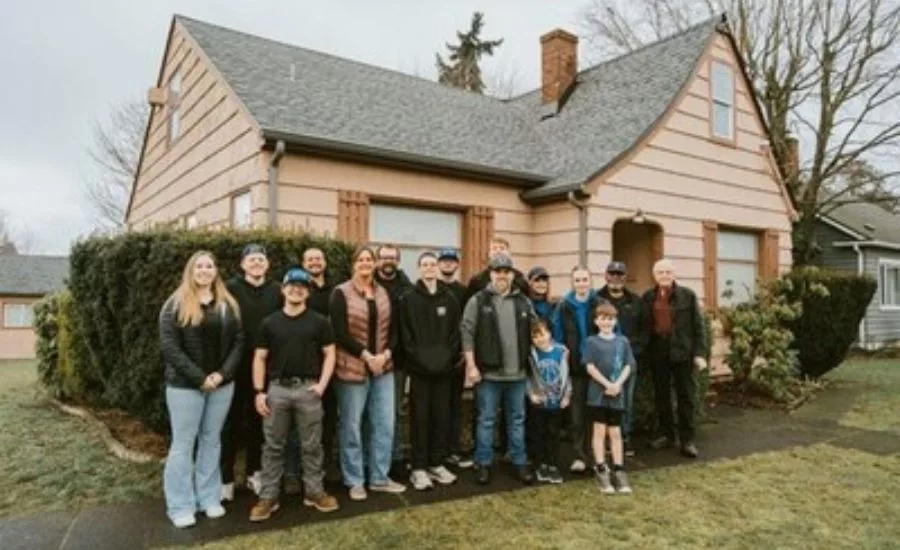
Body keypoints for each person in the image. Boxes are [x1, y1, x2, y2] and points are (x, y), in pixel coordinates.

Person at [158, 251, 243, 528]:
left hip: (221, 385)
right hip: (185, 387)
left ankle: (208, 498)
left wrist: (221, 374)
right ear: (190, 271)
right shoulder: (175, 304)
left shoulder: (227, 304)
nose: (204, 270)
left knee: (211, 440)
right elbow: (170, 347)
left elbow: (239, 342)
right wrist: (199, 378)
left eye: (209, 266)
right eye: (199, 266)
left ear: (216, 271)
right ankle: (180, 505)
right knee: (183, 445)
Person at [249, 269, 339, 522]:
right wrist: (259, 392)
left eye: (302, 286)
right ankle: (268, 496)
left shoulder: (320, 322)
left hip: (308, 389)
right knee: (273, 446)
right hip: (276, 390)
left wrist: (322, 385)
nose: (296, 289)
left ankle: (314, 492)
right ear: (283, 289)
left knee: (312, 445)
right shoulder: (269, 323)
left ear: (308, 292)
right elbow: (260, 357)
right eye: (292, 285)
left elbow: (330, 353)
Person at [330, 246, 406, 500]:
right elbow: (339, 332)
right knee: (351, 426)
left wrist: (385, 355)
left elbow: (395, 330)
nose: (365, 263)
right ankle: (354, 480)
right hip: (352, 368)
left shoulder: (384, 292)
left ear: (374, 264)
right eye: (360, 260)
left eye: (368, 260)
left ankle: (379, 477)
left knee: (384, 424)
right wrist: (366, 356)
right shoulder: (340, 293)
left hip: (383, 369)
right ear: (353, 264)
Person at [461, 254, 536, 486]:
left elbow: (537, 331)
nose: (502, 275)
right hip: (489, 375)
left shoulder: (524, 301)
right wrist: (471, 366)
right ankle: (483, 463)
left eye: (506, 271)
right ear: (490, 274)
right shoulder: (478, 300)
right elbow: (467, 333)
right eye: (497, 271)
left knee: (516, 420)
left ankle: (519, 461)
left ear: (512, 274)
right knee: (486, 420)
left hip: (517, 375)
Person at [221, 244, 283, 501]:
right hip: (236, 364)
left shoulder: (277, 290)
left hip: (267, 366)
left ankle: (254, 472)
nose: (256, 263)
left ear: (267, 265)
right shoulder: (230, 289)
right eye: (251, 259)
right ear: (243, 264)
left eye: (261, 259)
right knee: (231, 423)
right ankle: (225, 479)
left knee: (260, 422)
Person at [400, 252, 461, 490]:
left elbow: (455, 336)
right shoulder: (408, 299)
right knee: (420, 419)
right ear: (418, 269)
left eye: (432, 264)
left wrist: (446, 361)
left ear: (437, 268)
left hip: (444, 371)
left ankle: (436, 464)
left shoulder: (450, 299)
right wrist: (421, 362)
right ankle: (418, 468)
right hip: (420, 372)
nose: (429, 268)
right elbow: (406, 338)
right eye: (424, 264)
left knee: (441, 418)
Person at [284, 247, 339, 494]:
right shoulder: (296, 291)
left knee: (326, 421)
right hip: (301, 365)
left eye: (318, 258)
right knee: (296, 426)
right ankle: (293, 473)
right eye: (310, 259)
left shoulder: (336, 290)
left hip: (330, 364)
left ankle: (324, 469)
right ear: (303, 263)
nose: (315, 262)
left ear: (325, 262)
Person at [639, 259, 707, 459]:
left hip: (681, 351)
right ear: (654, 275)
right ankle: (667, 435)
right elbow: (645, 326)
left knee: (685, 395)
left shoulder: (687, 295)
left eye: (668, 271)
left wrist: (699, 353)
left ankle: (687, 440)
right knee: (661, 395)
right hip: (658, 349)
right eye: (660, 272)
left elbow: (698, 326)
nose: (664, 275)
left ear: (674, 274)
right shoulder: (648, 297)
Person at [551, 266, 601, 474]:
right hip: (575, 368)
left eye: (585, 280)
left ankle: (597, 456)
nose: (581, 283)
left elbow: (612, 332)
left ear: (590, 281)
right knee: (577, 415)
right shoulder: (564, 306)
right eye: (578, 280)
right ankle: (579, 456)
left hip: (597, 368)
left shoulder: (600, 304)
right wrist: (564, 360)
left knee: (596, 413)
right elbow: (558, 334)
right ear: (573, 283)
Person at [582, 302, 635, 494]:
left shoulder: (623, 341)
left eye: (610, 319)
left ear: (615, 320)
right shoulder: (591, 342)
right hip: (597, 396)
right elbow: (589, 367)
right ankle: (601, 468)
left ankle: (619, 470)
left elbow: (628, 366)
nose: (606, 322)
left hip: (616, 395)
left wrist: (617, 384)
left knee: (615, 433)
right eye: (603, 318)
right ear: (596, 321)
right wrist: (606, 384)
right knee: (599, 432)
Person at [373, 244, 414, 473]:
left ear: (398, 261)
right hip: (369, 358)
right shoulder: (368, 284)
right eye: (384, 257)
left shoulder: (406, 288)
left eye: (392, 257)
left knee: (395, 411)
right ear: (378, 260)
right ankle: (373, 459)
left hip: (398, 359)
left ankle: (395, 457)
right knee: (371, 412)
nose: (388, 261)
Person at [596, 261, 644, 456]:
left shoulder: (636, 301)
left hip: (627, 361)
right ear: (606, 276)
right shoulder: (597, 299)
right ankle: (605, 440)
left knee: (626, 400)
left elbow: (645, 330)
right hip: (603, 361)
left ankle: (625, 437)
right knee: (603, 400)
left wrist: (635, 352)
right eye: (612, 274)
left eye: (620, 274)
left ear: (625, 277)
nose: (616, 278)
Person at [436, 247, 472, 469]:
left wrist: (464, 354)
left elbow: (466, 324)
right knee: (436, 407)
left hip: (457, 358)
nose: (448, 264)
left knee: (454, 407)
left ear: (457, 264)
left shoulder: (463, 291)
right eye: (444, 261)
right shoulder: (433, 288)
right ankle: (436, 452)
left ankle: (453, 451)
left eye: (452, 261)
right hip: (434, 358)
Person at [527, 320, 570, 485]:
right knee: (539, 434)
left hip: (556, 402)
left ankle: (553, 465)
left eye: (543, 334)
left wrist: (567, 395)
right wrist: (531, 394)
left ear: (550, 334)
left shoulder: (561, 351)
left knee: (554, 434)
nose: (540, 339)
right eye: (535, 336)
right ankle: (541, 465)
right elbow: (528, 378)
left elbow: (567, 377)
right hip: (539, 402)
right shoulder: (531, 354)